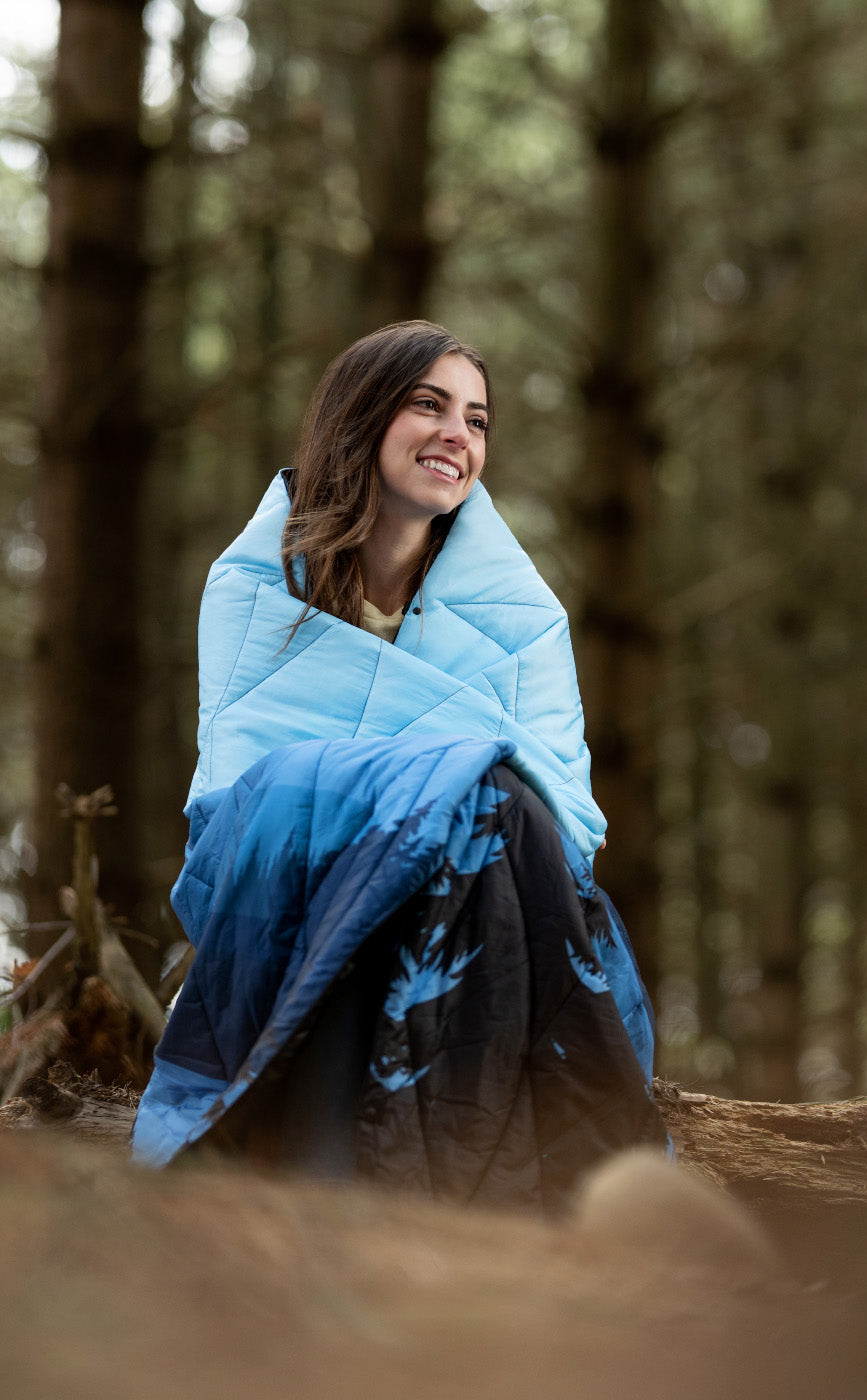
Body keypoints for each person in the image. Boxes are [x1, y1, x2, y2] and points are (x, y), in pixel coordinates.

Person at [132, 321, 665, 1209]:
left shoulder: (526, 621)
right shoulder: (256, 587)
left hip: (492, 889)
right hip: (297, 894)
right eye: (430, 405)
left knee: (490, 803)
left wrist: (440, 788)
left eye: (479, 420)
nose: (459, 433)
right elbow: (241, 801)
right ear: (363, 417)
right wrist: (430, 785)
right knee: (478, 791)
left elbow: (566, 820)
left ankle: (414, 1187)